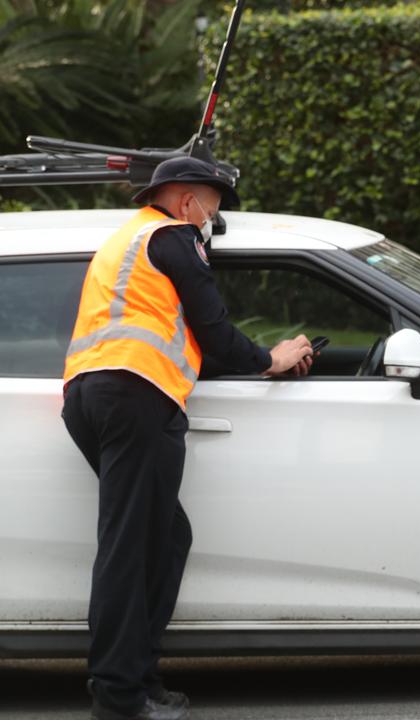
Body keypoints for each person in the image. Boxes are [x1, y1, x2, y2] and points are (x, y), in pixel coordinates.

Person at [61, 156, 314, 720]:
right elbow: (217, 334)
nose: (212, 221)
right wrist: (272, 359)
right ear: (185, 201)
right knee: (130, 545)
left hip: (94, 396)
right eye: (213, 207)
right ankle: (120, 695)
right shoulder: (175, 235)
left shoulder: (130, 238)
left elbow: (171, 332)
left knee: (164, 537)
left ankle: (139, 676)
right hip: (135, 396)